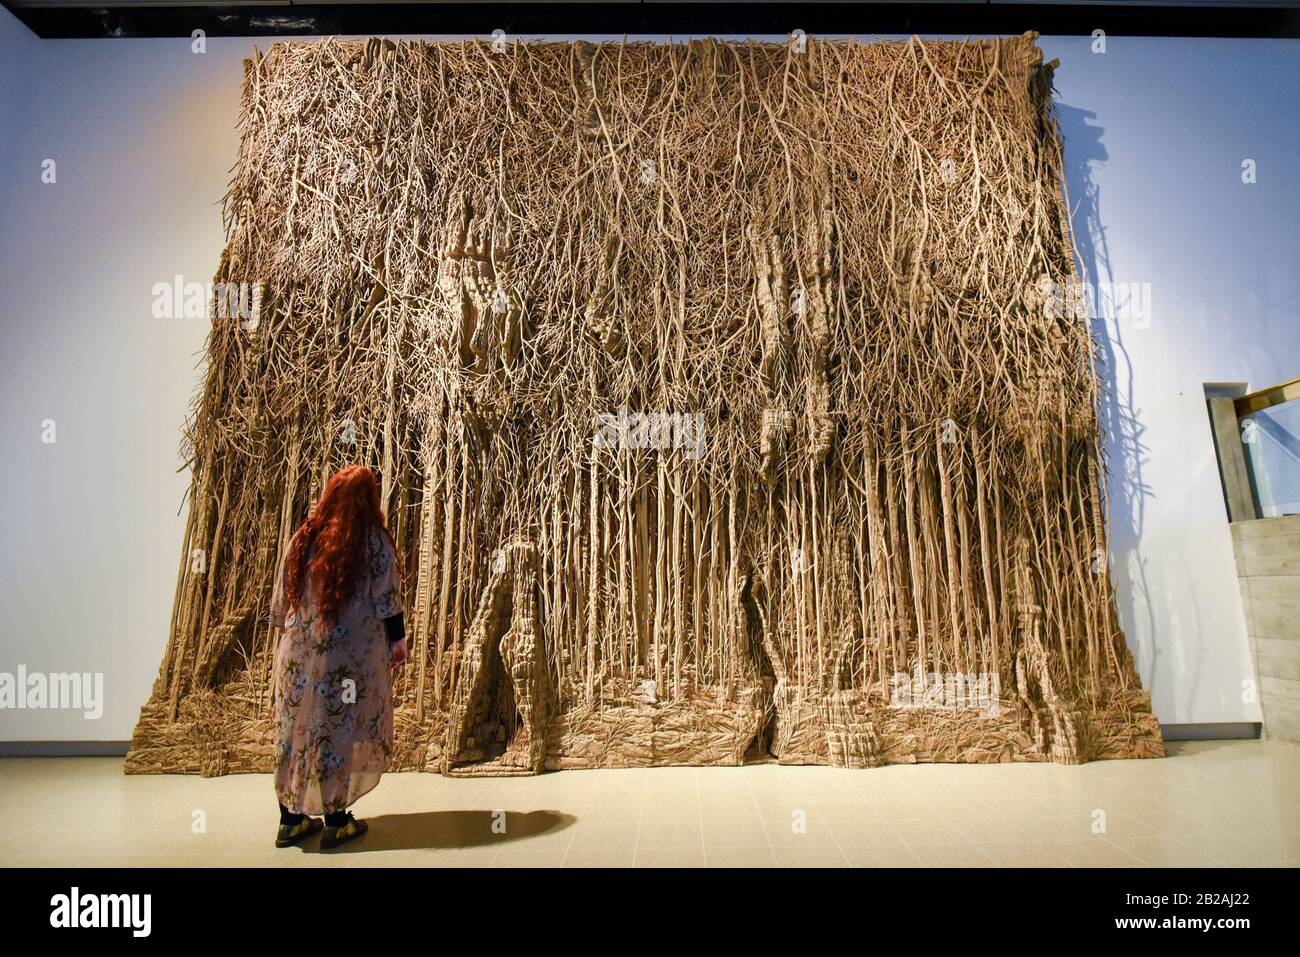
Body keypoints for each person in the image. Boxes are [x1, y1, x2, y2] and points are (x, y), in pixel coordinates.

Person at [269, 465, 407, 849]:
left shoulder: (305, 535)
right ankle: (335, 820)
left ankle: (290, 819)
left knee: (297, 729)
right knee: (339, 728)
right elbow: (387, 596)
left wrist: (288, 633)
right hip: (346, 661)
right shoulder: (370, 540)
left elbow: (283, 594)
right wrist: (398, 640)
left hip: (300, 656)